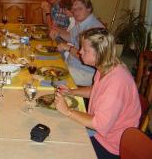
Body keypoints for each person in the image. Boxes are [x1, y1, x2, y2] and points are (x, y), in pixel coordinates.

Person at [54, 27, 141, 159]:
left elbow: (99, 124)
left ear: (99, 53)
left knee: (60, 147)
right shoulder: (106, 67)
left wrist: (67, 111)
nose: (80, 52)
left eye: (85, 49)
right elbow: (96, 90)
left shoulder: (116, 83)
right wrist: (71, 92)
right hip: (101, 133)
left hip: (112, 146)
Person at [50, 0, 104, 86]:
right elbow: (71, 37)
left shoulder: (94, 28)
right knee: (48, 64)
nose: (76, 12)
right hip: (72, 65)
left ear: (89, 9)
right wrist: (58, 32)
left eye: (80, 8)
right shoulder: (82, 23)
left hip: (85, 73)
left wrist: (68, 48)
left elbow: (90, 59)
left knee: (50, 77)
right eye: (74, 9)